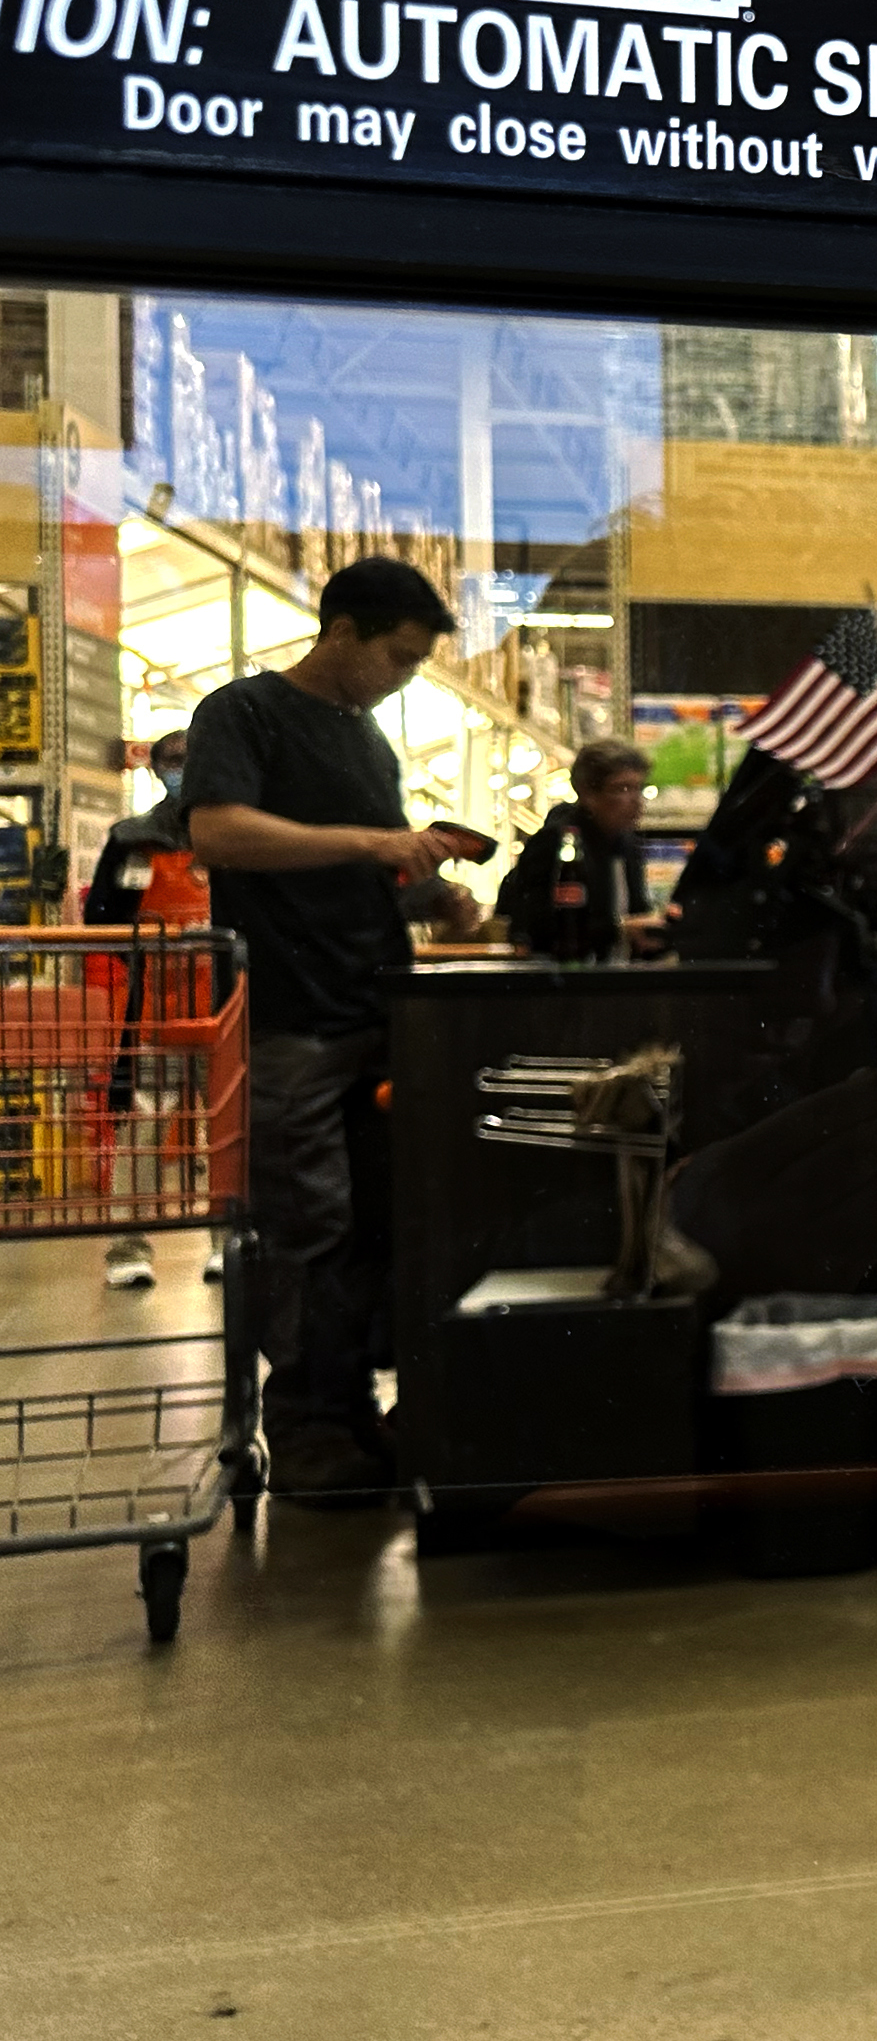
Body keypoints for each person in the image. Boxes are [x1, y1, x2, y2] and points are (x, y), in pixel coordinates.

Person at [180, 557, 483, 1505]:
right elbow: (219, 834)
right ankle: (307, 1426)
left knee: (377, 1222)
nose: (403, 677)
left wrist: (438, 892)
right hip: (291, 1020)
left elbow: (377, 867)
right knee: (307, 1227)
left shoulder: (368, 745)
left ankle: (354, 1411)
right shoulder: (244, 713)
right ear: (342, 632)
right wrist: (373, 845)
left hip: (373, 1014)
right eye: (396, 657)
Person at [82, 728, 220, 1290]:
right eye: (170, 761)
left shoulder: (238, 833)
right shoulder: (133, 837)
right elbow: (100, 915)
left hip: (228, 1007)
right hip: (157, 1011)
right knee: (143, 1122)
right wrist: (148, 955)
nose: (179, 770)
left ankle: (226, 1240)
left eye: (190, 761)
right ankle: (127, 1249)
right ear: (153, 769)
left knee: (228, 1126)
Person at [496, 737, 663, 958]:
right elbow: (541, 927)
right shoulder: (557, 842)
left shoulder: (627, 845)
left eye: (639, 788)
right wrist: (619, 930)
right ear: (588, 794)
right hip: (565, 982)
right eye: (622, 788)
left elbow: (635, 910)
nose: (636, 800)